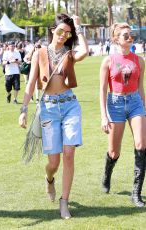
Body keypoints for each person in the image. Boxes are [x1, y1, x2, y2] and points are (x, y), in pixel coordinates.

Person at [19, 13, 88, 219]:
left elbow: (84, 50)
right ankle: (49, 179)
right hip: (48, 108)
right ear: (52, 31)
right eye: (60, 31)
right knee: (54, 163)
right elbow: (31, 83)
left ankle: (64, 201)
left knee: (69, 154)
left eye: (67, 34)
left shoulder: (69, 54)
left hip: (70, 106)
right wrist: (23, 110)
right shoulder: (40, 53)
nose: (63, 36)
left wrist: (78, 27)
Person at [99, 22, 146, 208]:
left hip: (135, 103)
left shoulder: (139, 60)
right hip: (115, 104)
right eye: (124, 34)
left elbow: (141, 87)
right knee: (114, 152)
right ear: (116, 39)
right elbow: (102, 90)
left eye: (129, 34)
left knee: (141, 145)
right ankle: (107, 173)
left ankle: (136, 193)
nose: (128, 36)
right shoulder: (108, 61)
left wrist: (145, 107)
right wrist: (104, 116)